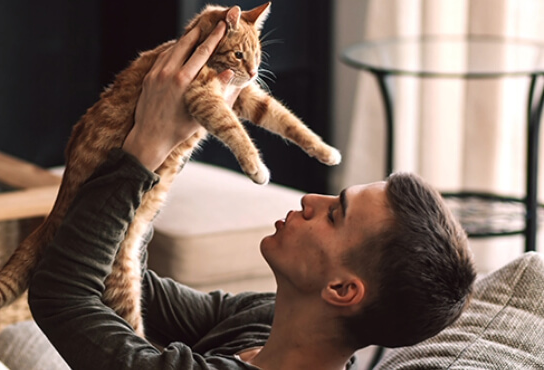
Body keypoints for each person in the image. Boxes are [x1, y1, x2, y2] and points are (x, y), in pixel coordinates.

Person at [27, 20, 476, 370]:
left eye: (335, 215)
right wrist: (159, 150)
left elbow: (59, 292)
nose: (309, 201)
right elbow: (120, 278)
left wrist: (148, 146)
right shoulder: (268, 318)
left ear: (341, 289)